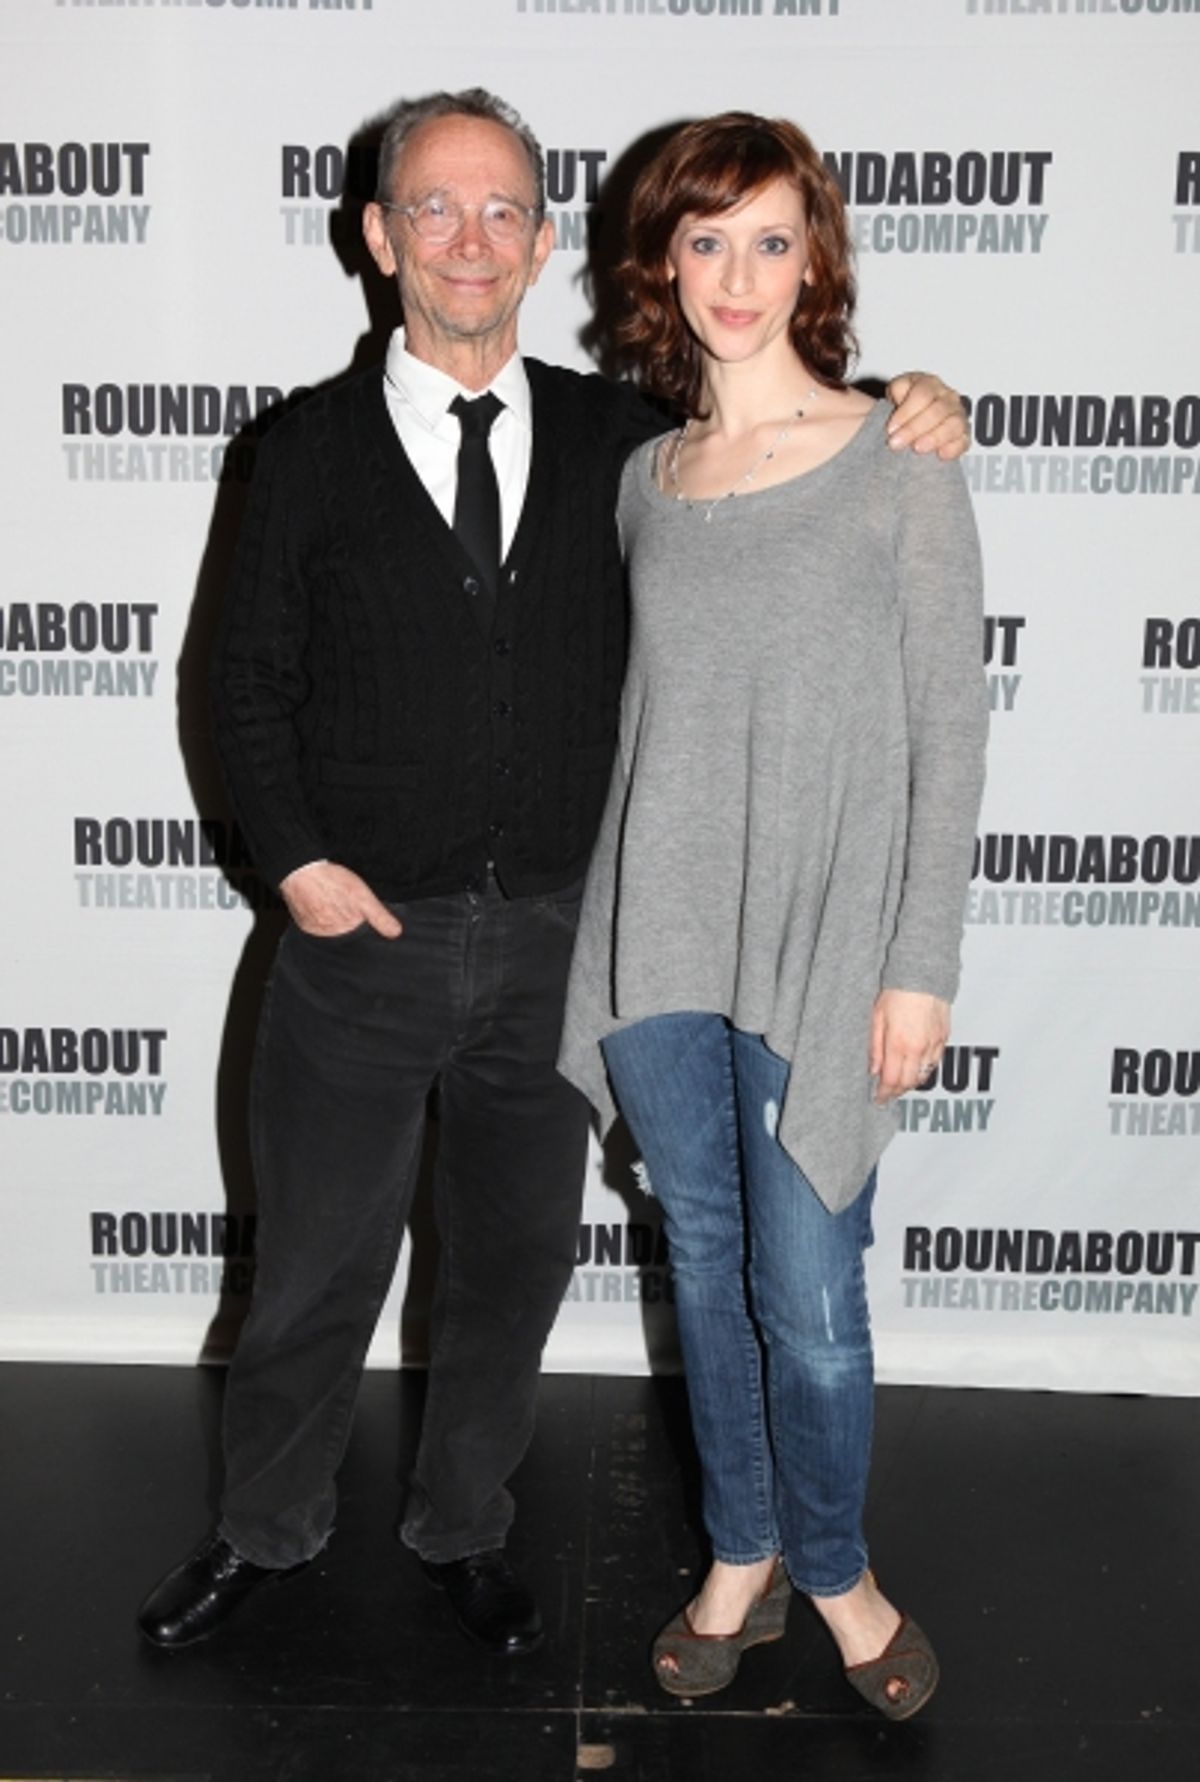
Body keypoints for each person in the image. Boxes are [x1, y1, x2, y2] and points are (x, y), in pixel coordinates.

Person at [137, 88, 969, 1661]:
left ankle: (463, 1525)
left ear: (539, 244)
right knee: (314, 1267)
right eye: (435, 210)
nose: (471, 239)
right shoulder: (300, 448)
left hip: (563, 944)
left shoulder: (623, 443)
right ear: (380, 238)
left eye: (504, 209)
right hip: (358, 948)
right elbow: (240, 680)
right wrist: (302, 862)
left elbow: (789, 491)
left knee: (511, 1266)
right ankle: (264, 1530)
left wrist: (924, 396)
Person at [559, 111, 987, 1718]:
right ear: (663, 262)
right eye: (706, 238)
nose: (739, 273)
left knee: (811, 1294)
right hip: (663, 941)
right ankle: (739, 1550)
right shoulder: (644, 481)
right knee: (712, 1259)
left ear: (816, 259)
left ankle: (837, 1568)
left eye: (772, 238)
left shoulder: (905, 456)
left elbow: (954, 728)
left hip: (828, 949)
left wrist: (920, 963)